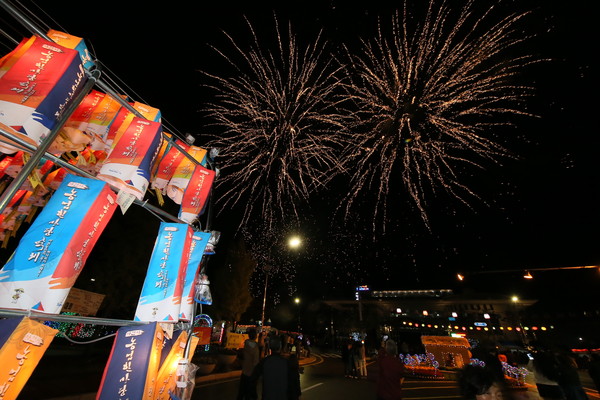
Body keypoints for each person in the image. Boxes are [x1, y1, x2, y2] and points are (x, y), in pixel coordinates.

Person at [251, 334, 301, 400]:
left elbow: (252, 379)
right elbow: (294, 386)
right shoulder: (287, 363)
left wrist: (254, 395)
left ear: (269, 347)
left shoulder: (264, 362)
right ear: (280, 346)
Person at [237, 328, 260, 400]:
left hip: (244, 372)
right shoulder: (256, 348)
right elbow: (255, 362)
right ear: (255, 336)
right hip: (251, 373)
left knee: (241, 393)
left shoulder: (246, 344)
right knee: (250, 394)